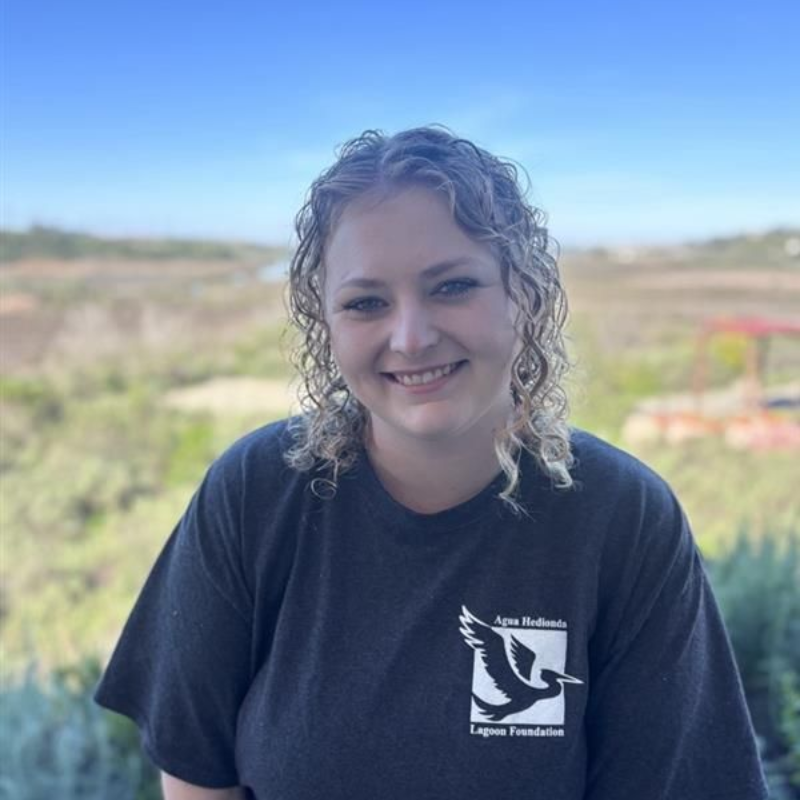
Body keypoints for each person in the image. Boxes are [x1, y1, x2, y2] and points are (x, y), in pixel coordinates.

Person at [95, 126, 768, 800]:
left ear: (522, 295)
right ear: (324, 325)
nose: (411, 337)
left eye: (452, 287)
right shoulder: (255, 494)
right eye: (366, 303)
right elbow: (195, 779)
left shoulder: (622, 518)